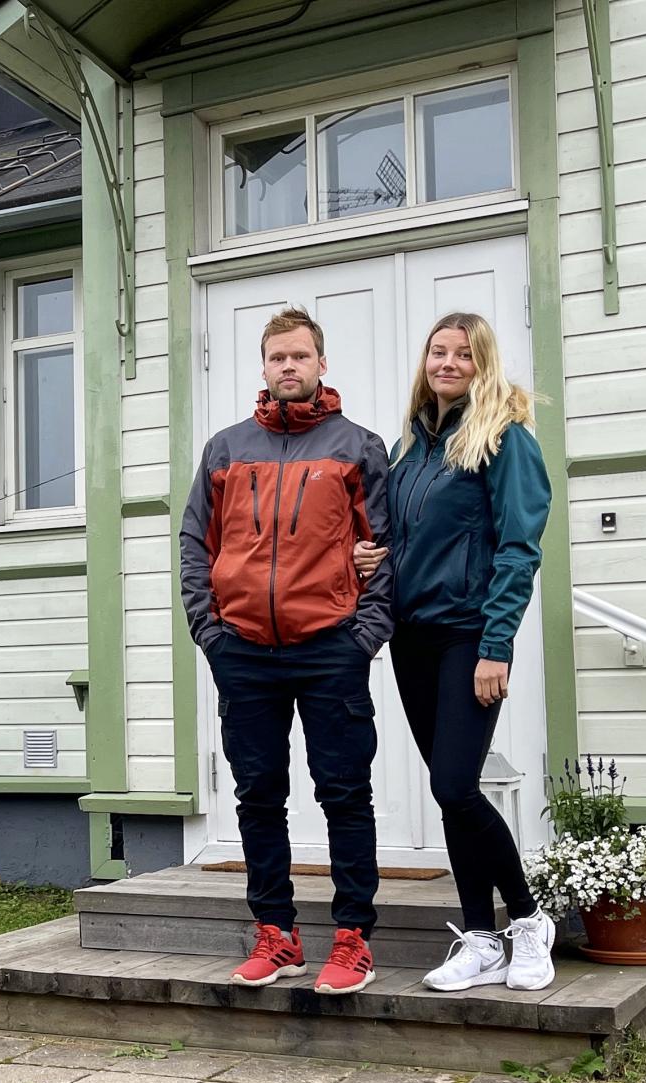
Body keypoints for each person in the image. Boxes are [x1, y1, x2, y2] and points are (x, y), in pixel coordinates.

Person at [179, 306, 394, 995]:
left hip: (330, 645)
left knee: (343, 793)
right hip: (242, 649)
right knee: (258, 795)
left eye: (300, 356)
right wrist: (208, 630)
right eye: (278, 358)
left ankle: (353, 937)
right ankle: (277, 934)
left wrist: (364, 634)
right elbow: (194, 543)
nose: (289, 368)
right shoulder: (225, 449)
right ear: (264, 367)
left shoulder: (358, 447)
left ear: (322, 363)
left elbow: (385, 549)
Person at [352, 312, 556, 992]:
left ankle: (527, 919)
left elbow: (519, 547)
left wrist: (497, 645)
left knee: (455, 785)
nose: (447, 362)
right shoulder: (410, 449)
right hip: (413, 638)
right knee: (451, 795)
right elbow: (402, 539)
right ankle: (479, 938)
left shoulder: (502, 440)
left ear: (482, 363)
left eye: (462, 354)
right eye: (437, 351)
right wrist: (370, 557)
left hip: (469, 635)